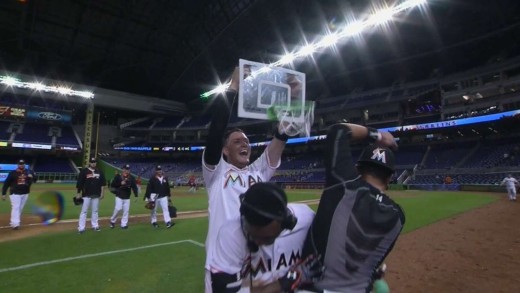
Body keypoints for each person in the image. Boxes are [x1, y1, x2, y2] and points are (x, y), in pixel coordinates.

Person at [203, 67, 291, 292]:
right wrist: (233, 88)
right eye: (237, 142)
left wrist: (292, 96)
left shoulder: (258, 171)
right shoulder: (217, 173)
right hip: (223, 266)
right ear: (224, 150)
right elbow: (216, 131)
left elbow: (281, 136)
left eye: (246, 141)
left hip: (258, 262)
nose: (244, 144)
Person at [300, 122, 405, 292]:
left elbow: (338, 130)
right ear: (390, 178)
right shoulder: (398, 216)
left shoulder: (344, 183)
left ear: (357, 169)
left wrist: (379, 135)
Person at [210, 182, 320, 293]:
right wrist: (286, 281)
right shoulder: (231, 234)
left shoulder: (306, 219)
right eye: (252, 236)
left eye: (267, 238)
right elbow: (224, 290)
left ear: (286, 222)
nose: (258, 242)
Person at [1, 159, 37, 230]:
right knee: (16, 207)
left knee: (20, 208)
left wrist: (32, 177)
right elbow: (6, 184)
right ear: (18, 165)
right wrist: (4, 193)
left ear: (24, 164)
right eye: (20, 164)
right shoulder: (13, 173)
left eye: (22, 163)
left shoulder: (28, 172)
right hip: (15, 193)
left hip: (25, 193)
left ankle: (14, 222)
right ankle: (15, 224)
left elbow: (35, 180)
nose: (21, 165)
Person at [75, 157, 106, 233]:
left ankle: (95, 225)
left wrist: (102, 193)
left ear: (96, 163)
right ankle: (81, 227)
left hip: (96, 194)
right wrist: (78, 193)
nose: (93, 163)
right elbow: (80, 183)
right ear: (89, 163)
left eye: (94, 162)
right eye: (92, 162)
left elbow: (102, 184)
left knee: (95, 211)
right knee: (84, 211)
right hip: (86, 195)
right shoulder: (84, 172)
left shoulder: (100, 172)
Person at [109, 164, 139, 229]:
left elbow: (134, 187)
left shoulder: (131, 178)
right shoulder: (118, 176)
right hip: (119, 196)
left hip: (127, 197)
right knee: (118, 208)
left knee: (126, 211)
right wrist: (120, 183)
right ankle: (112, 220)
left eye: (128, 169)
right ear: (123, 169)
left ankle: (124, 224)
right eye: (125, 169)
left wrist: (136, 195)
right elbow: (113, 185)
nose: (127, 170)